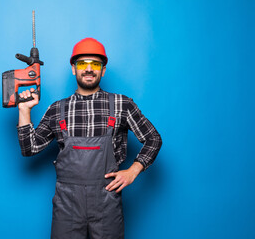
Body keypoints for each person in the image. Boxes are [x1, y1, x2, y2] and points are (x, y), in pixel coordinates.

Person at [17, 38, 162, 239]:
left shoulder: (122, 104)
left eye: (95, 64)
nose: (88, 69)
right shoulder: (56, 109)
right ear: (73, 69)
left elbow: (153, 139)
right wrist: (24, 110)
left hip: (107, 202)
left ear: (103, 70)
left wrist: (133, 171)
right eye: (82, 64)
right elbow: (29, 148)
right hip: (67, 204)